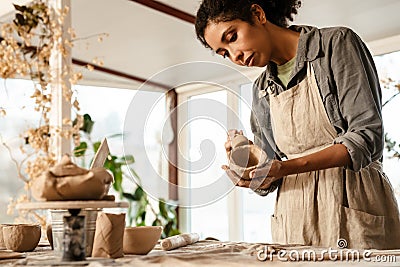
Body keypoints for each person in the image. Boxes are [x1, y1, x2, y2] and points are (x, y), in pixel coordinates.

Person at [195, 0, 400, 249]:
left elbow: (367, 136)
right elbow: (270, 175)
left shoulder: (336, 44)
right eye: (224, 53)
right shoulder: (261, 89)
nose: (235, 55)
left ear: (257, 14)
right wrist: (251, 161)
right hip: (293, 220)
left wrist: (286, 167)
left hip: (352, 205)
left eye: (233, 37)